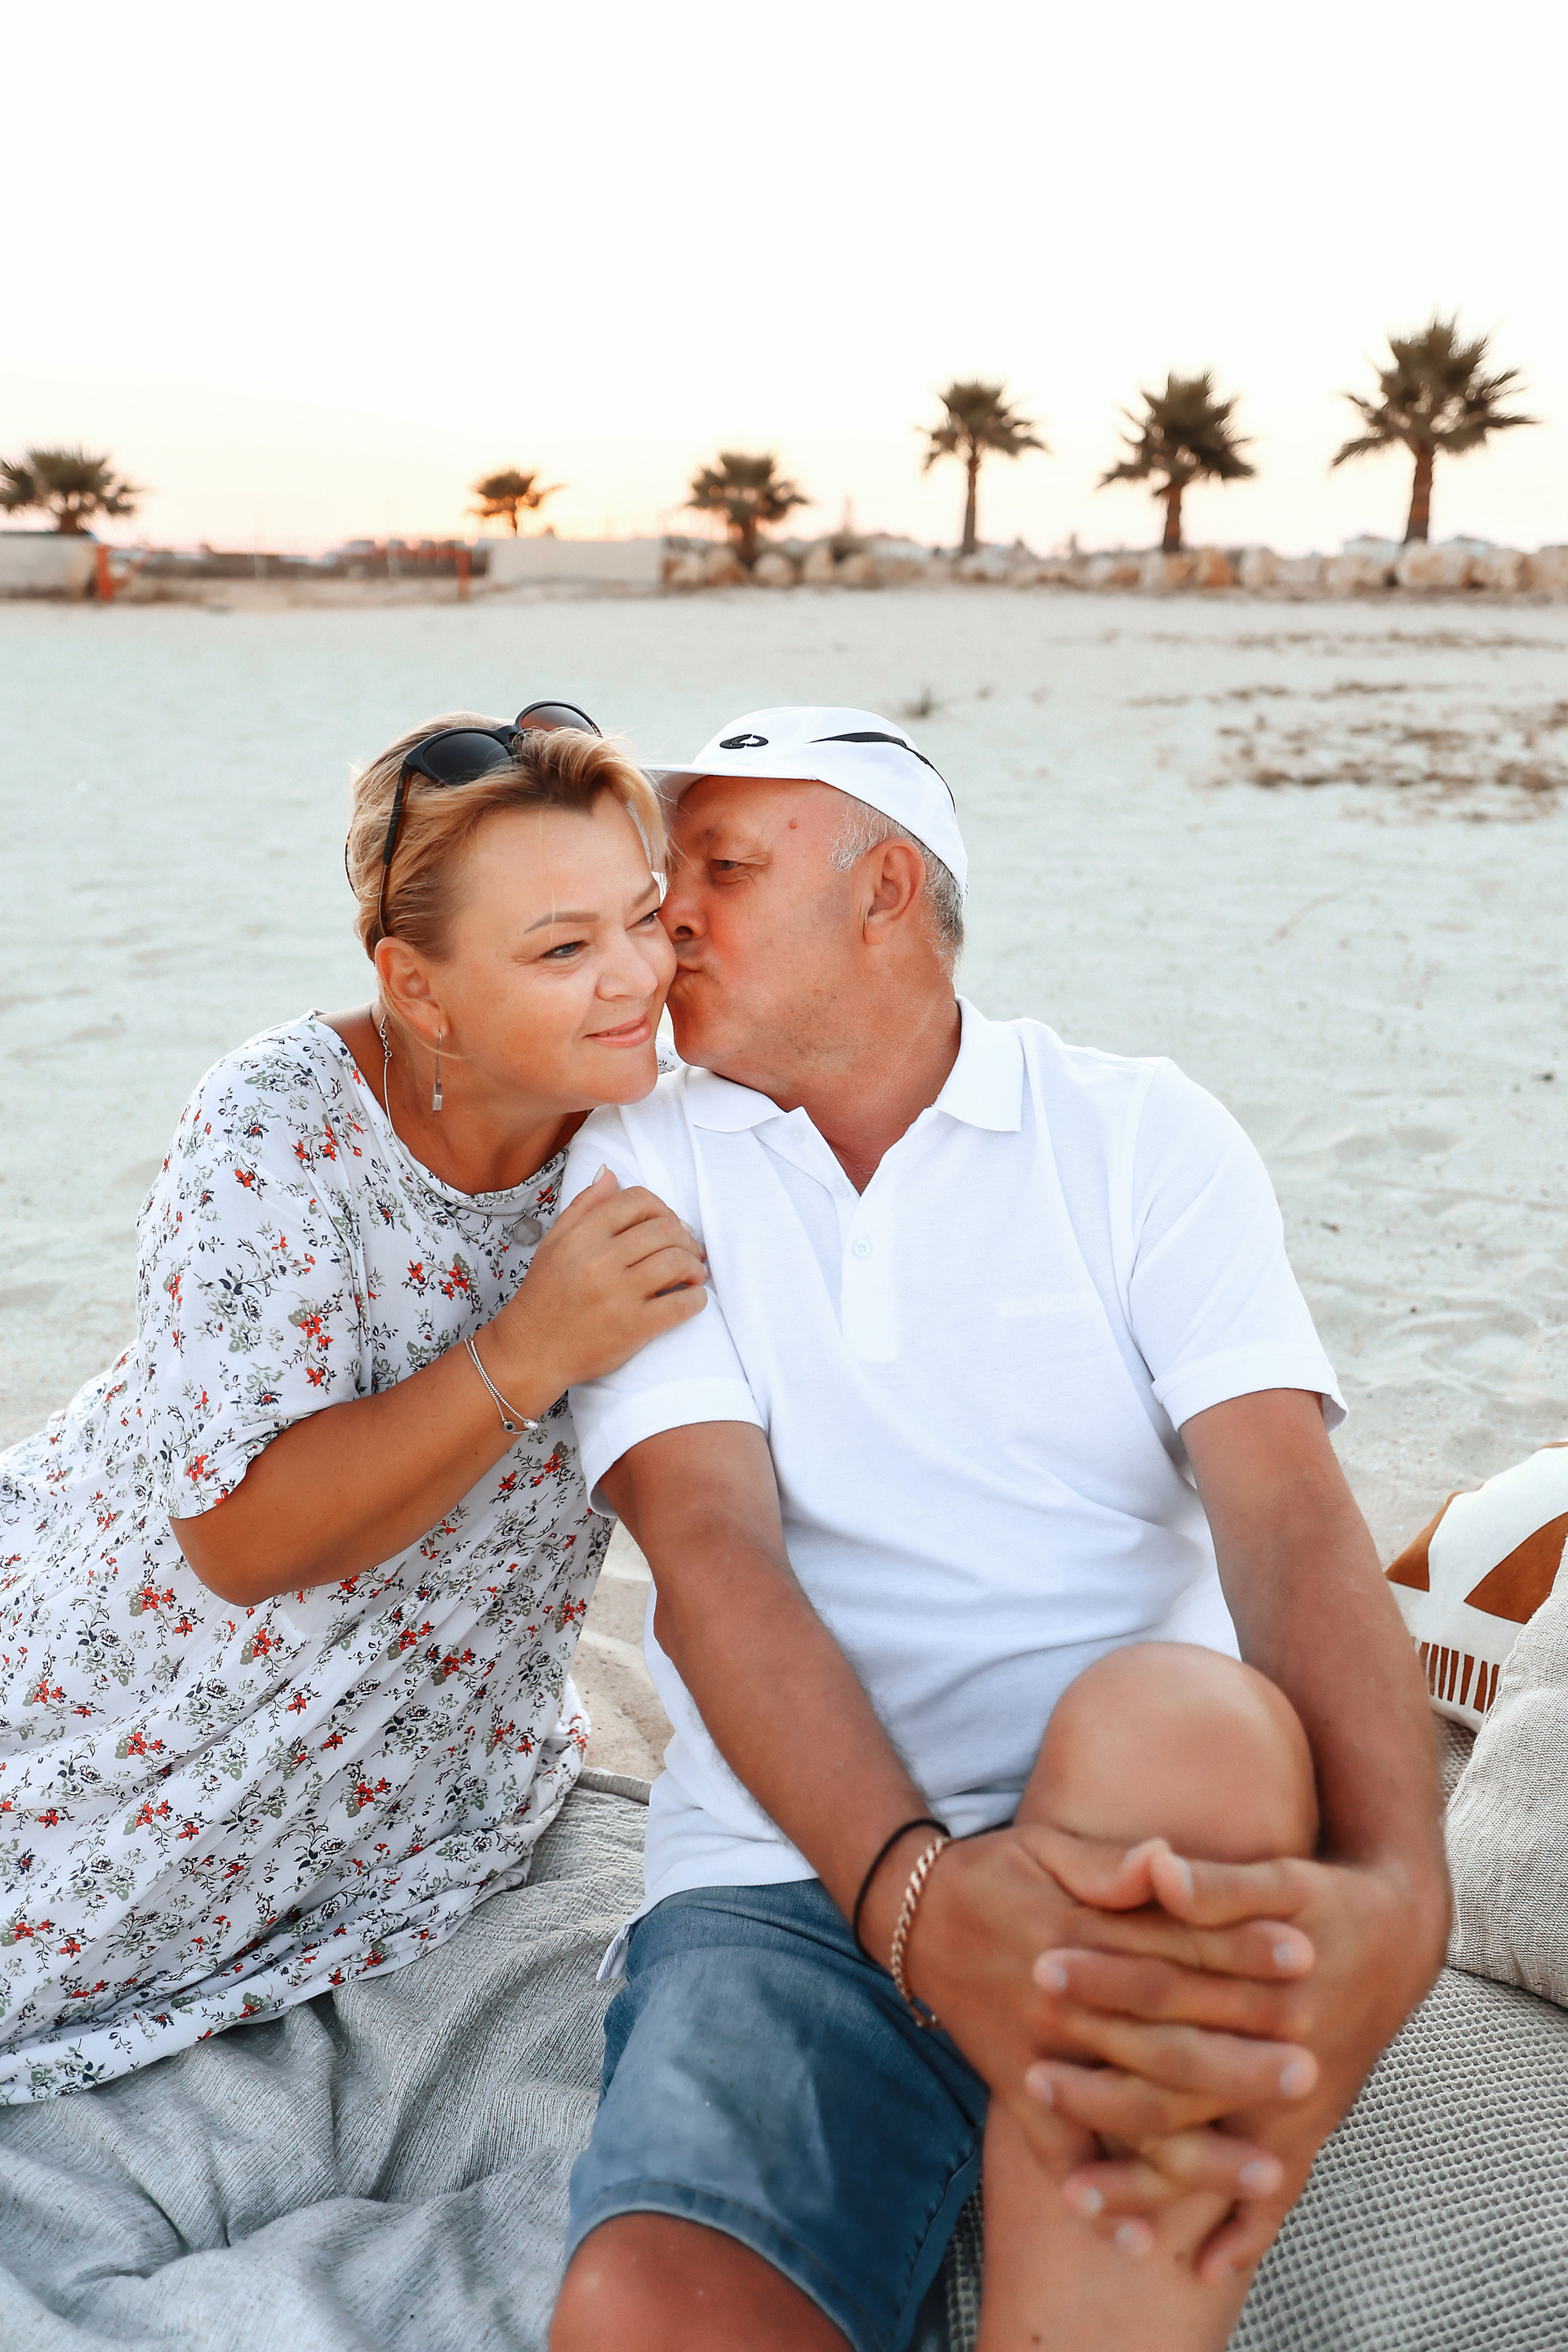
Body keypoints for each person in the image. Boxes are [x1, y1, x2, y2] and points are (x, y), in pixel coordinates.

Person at [547, 707, 1450, 2352]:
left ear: (886, 889)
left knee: (1179, 1714)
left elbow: (1290, 1527)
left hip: (1144, 1819)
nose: (668, 918)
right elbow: (709, 1557)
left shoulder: (1137, 1133)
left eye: (723, 871)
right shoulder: (640, 1156)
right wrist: (921, 1901)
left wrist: (1402, 1893)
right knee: (646, 2311)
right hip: (787, 1877)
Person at [0, 702, 706, 2102]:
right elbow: (238, 1542)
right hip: (138, 1683)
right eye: (562, 949)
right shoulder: (274, 1123)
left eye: (645, 917)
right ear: (419, 990)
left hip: (432, 1773)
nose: (636, 977)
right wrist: (531, 1345)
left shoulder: (668, 1140)